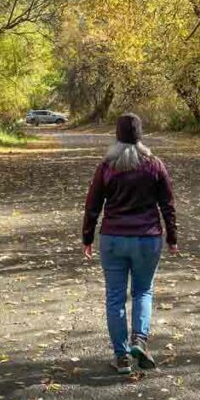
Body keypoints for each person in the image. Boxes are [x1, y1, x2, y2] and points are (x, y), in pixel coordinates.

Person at [81, 113, 178, 374]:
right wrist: (172, 237)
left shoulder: (107, 166)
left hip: (113, 239)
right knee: (142, 292)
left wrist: (87, 238)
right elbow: (167, 204)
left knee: (115, 298)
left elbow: (93, 205)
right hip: (148, 239)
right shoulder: (154, 164)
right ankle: (140, 340)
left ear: (117, 135)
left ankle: (121, 357)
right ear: (140, 135)